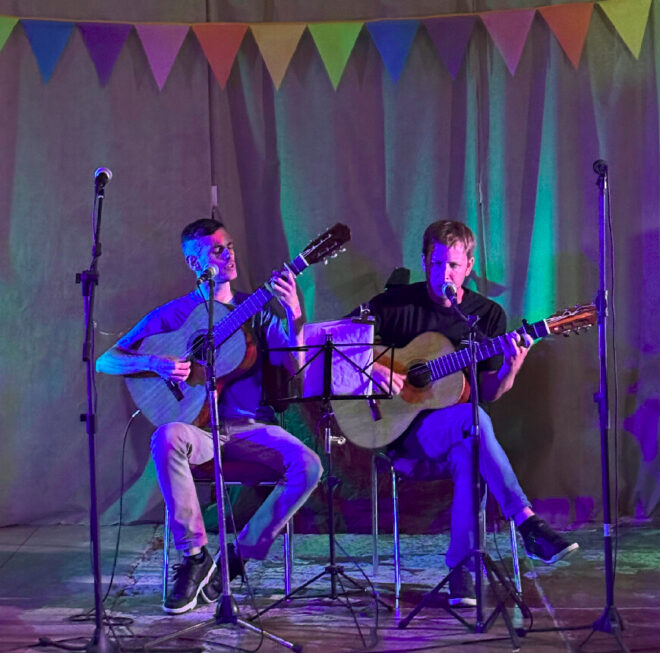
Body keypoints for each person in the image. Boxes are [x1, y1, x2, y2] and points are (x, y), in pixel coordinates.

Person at [96, 217, 323, 614]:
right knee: (166, 436)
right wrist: (154, 362)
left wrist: (295, 317)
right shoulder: (174, 315)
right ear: (193, 262)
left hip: (250, 427)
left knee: (308, 465)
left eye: (230, 246)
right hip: (199, 430)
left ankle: (238, 557)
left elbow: (296, 367)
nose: (229, 255)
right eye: (217, 250)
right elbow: (106, 360)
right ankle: (195, 556)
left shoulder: (256, 310)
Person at [361, 220, 578, 608]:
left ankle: (461, 569)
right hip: (399, 432)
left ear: (469, 265)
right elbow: (338, 342)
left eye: (453, 265)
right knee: (472, 419)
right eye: (436, 263)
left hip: (458, 433)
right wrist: (374, 367)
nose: (444, 273)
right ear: (424, 260)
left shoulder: (486, 316)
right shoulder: (395, 305)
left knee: (471, 448)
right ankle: (527, 523)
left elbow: (491, 391)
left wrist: (511, 366)